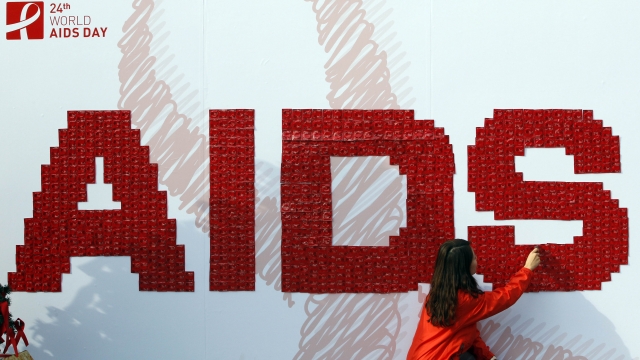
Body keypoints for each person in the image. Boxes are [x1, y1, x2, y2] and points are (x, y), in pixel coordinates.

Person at [407, 239, 541, 360]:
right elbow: (505, 297)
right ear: (464, 266)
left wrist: (488, 357)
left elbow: (467, 333)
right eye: (473, 256)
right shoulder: (465, 300)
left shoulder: (438, 294)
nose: (477, 259)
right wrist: (527, 269)